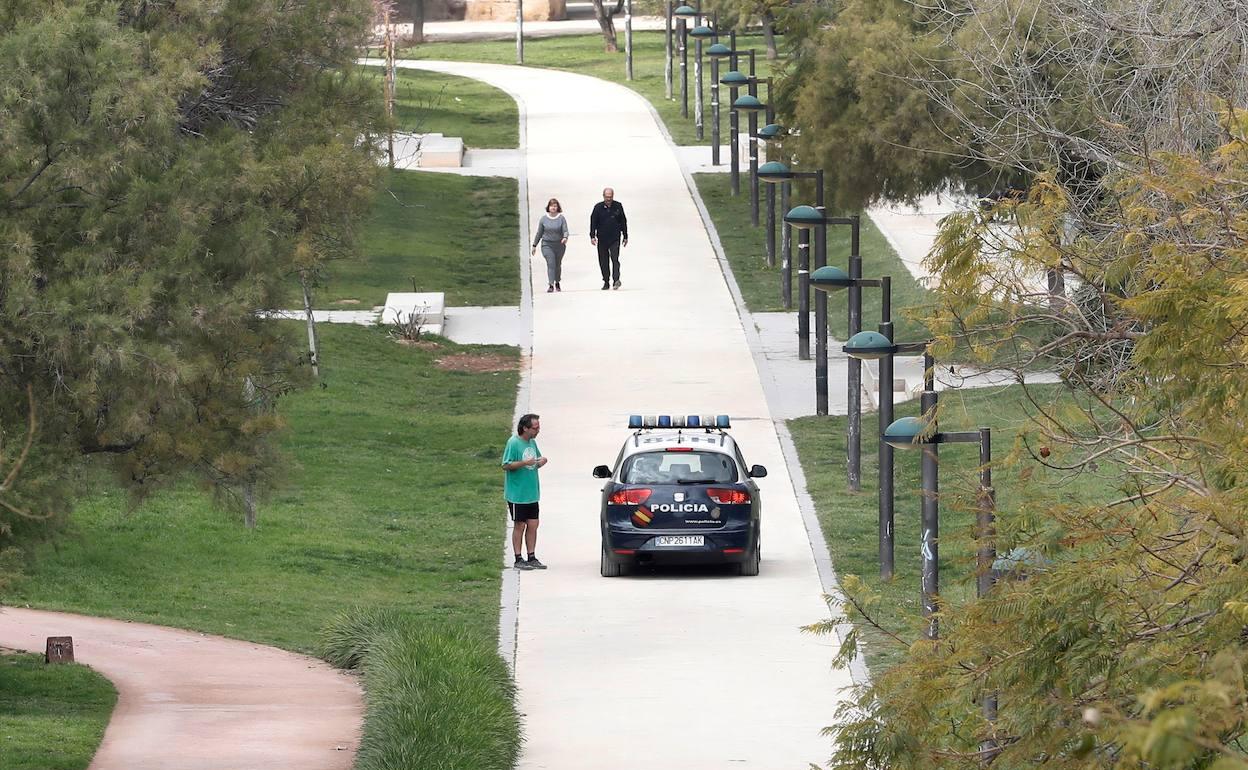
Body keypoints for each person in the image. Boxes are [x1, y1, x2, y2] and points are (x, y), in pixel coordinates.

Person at [501, 413, 548, 570]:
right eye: (535, 428)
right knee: (519, 525)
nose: (538, 430)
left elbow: (536, 461)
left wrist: (542, 461)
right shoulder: (513, 443)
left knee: (533, 524)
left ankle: (532, 556)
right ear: (525, 428)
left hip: (532, 493)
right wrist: (523, 463)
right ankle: (518, 558)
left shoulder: (532, 443)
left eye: (538, 427)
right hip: (517, 494)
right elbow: (506, 465)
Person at [589, 187, 628, 290]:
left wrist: (625, 235)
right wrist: (592, 236)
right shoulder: (598, 207)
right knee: (603, 260)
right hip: (602, 238)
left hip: (615, 237)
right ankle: (606, 281)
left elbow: (623, 220)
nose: (608, 199)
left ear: (613, 196)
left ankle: (616, 280)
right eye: (607, 197)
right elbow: (593, 221)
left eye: (610, 197)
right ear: (603, 196)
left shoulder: (618, 206)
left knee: (615, 259)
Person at [532, 198, 569, 293]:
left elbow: (565, 230)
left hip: (559, 245)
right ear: (548, 207)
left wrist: (565, 237)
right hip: (547, 245)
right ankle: (551, 284)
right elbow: (539, 233)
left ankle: (557, 282)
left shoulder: (561, 218)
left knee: (557, 264)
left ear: (558, 207)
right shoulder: (544, 219)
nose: (553, 208)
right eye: (552, 206)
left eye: (555, 206)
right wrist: (534, 245)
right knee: (551, 263)